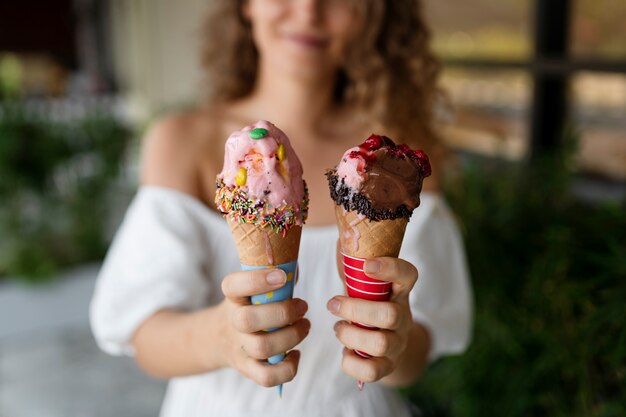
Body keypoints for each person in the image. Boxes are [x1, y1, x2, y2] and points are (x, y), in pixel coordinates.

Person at [90, 0, 472, 416]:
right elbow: (143, 335)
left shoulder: (395, 165)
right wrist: (218, 337)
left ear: (372, 13)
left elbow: (419, 351)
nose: (309, 10)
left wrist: (392, 345)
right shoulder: (180, 141)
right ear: (246, 6)